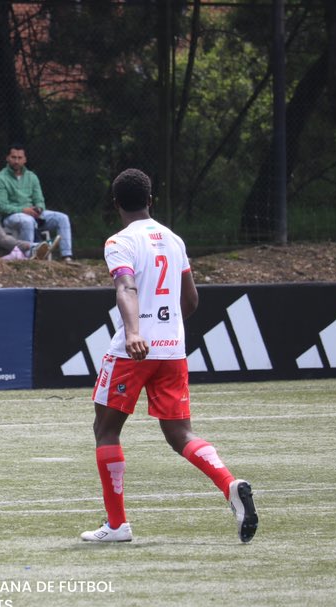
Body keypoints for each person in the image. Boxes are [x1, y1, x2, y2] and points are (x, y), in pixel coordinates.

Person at [81, 169, 258, 544]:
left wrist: (134, 332)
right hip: (172, 351)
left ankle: (117, 526)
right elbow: (191, 300)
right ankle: (230, 484)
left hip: (134, 351)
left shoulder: (119, 242)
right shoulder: (174, 239)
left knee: (106, 430)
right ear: (151, 200)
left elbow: (126, 287)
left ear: (116, 204)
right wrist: (166, 327)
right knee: (180, 434)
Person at [0, 144, 75, 264]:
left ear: (25, 159)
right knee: (27, 220)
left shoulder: (32, 177)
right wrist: (24, 210)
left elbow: (40, 200)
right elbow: (2, 207)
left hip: (33, 214)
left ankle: (66, 257)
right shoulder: (0, 179)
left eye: (20, 158)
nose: (16, 161)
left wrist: (38, 209)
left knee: (62, 218)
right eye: (13, 157)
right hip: (11, 216)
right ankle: (29, 256)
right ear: (7, 158)